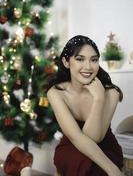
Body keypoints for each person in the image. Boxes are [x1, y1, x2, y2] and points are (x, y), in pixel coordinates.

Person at [46, 35, 124, 176]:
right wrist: (112, 169)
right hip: (72, 144)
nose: (88, 67)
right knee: (81, 162)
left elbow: (95, 137)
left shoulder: (111, 93)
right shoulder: (56, 93)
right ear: (66, 62)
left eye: (93, 60)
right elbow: (77, 137)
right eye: (80, 59)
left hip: (105, 146)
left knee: (93, 166)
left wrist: (99, 98)